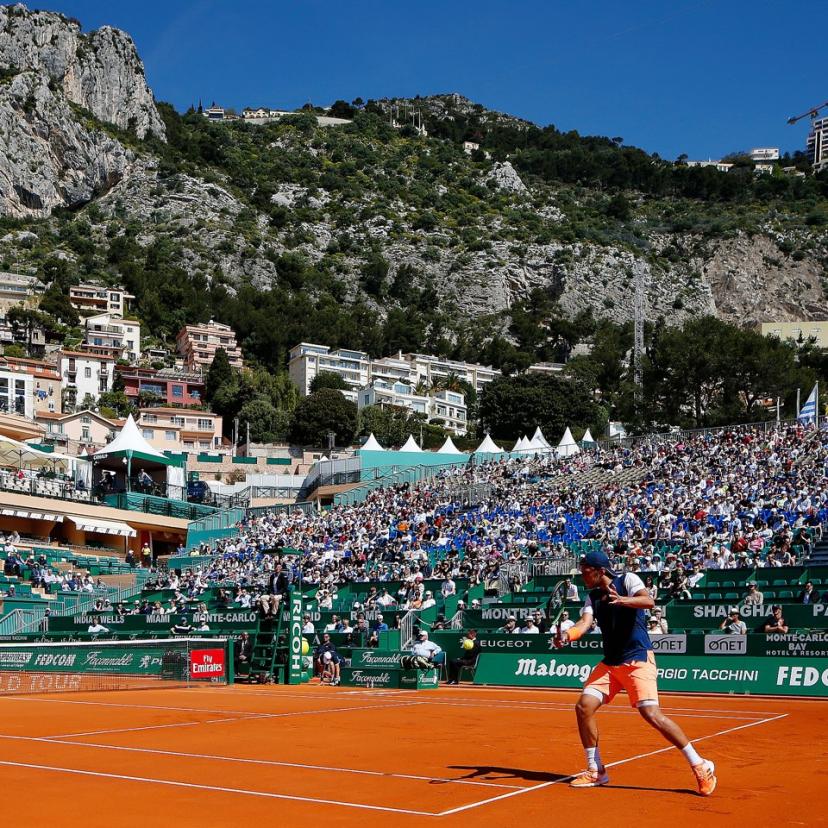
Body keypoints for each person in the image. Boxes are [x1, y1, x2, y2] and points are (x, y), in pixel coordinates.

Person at [554, 551, 716, 796]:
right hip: (610, 664)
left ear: (600, 571)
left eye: (585, 570)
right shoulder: (592, 597)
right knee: (584, 706)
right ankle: (596, 770)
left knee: (651, 714)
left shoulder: (627, 580)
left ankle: (700, 764)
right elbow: (584, 624)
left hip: (637, 659)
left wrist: (623, 601)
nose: (582, 575)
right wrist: (568, 635)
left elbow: (648, 601)